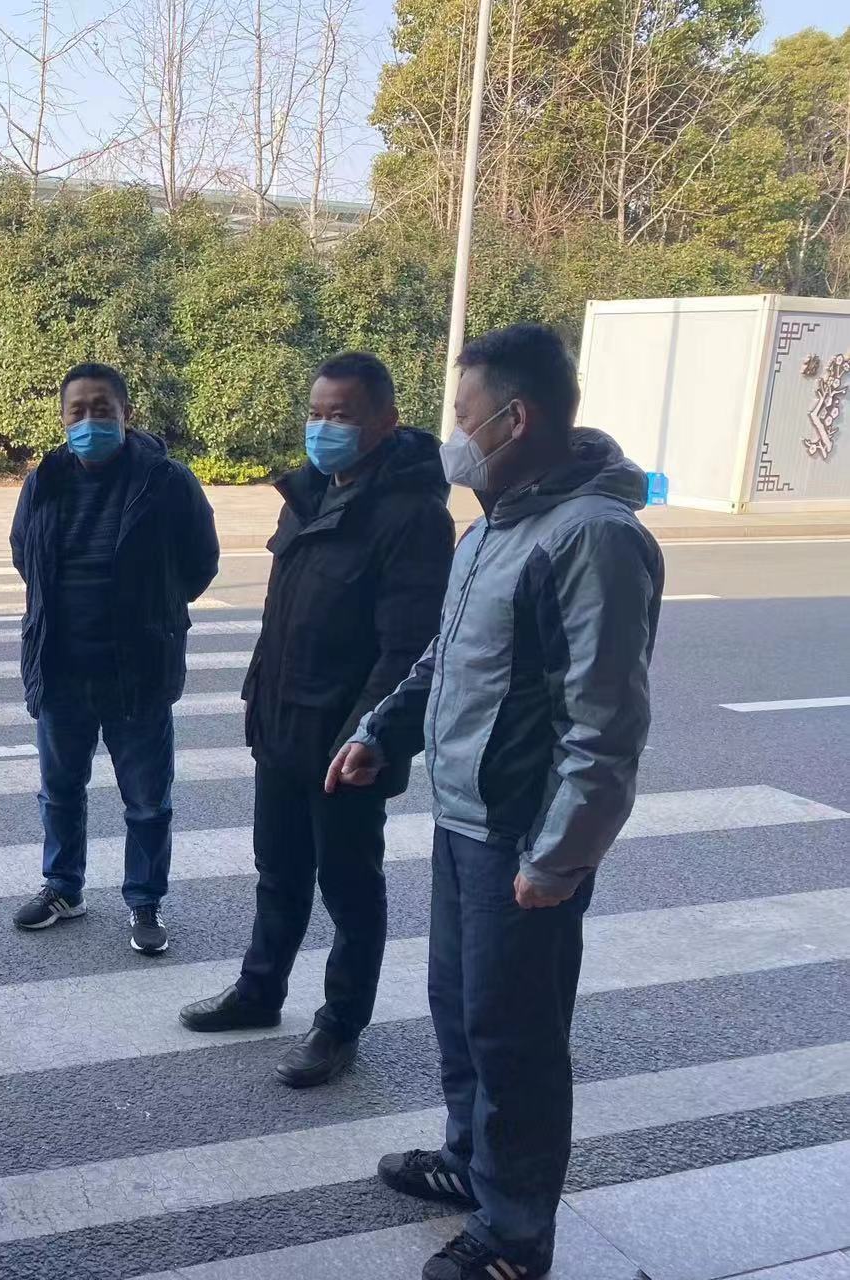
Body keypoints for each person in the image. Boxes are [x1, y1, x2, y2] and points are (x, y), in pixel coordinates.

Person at [327, 324, 664, 1280]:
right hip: (463, 816)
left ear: (514, 419)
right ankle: (470, 1162)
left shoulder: (592, 537)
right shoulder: (493, 527)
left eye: (462, 415)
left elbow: (604, 723)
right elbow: (447, 657)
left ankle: (515, 1234)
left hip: (522, 834)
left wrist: (559, 858)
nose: (454, 436)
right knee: (462, 1009)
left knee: (515, 1039)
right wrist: (381, 730)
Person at [179, 352, 453, 1087]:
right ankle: (259, 990)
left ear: (385, 421)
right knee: (278, 871)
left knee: (349, 889)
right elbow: (284, 617)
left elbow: (406, 648)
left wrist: (370, 736)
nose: (323, 427)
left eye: (341, 416)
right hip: (281, 723)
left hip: (347, 741)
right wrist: (259, 701)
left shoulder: (412, 516)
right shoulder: (305, 494)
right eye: (316, 412)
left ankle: (339, 1026)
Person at [8, 361, 220, 955]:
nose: (89, 420)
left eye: (102, 409)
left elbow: (201, 561)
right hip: (60, 667)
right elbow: (24, 554)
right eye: (77, 410)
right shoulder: (44, 481)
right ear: (62, 418)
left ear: (126, 414)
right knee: (60, 790)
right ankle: (63, 888)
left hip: (138, 672)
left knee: (147, 800)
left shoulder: (166, 481)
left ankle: (145, 901)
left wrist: (153, 615)